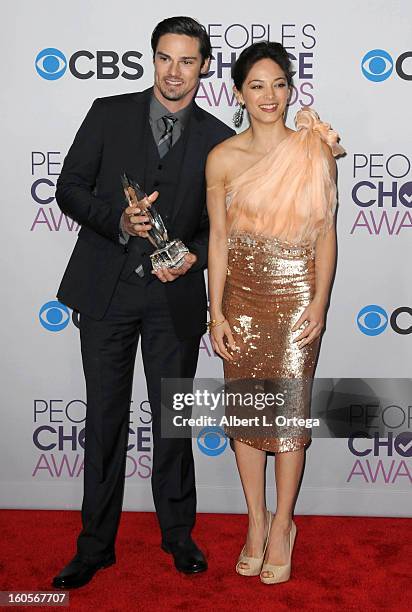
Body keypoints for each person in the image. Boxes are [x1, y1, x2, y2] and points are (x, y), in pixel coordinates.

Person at [52, 16, 234, 588]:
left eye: (186, 61)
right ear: (151, 58)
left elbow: (221, 229)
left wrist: (196, 258)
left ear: (204, 66)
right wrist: (119, 221)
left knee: (174, 425)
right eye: (164, 58)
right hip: (105, 294)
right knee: (104, 421)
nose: (173, 72)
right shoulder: (108, 113)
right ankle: (94, 546)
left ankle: (178, 535)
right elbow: (69, 188)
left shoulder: (218, 138)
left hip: (172, 301)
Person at [206, 41, 345, 584]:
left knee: (286, 418)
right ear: (239, 93)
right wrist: (215, 312)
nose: (269, 95)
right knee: (246, 417)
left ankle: (284, 523)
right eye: (256, 85)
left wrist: (320, 300)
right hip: (240, 297)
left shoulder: (313, 148)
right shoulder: (222, 157)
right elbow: (218, 238)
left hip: (295, 301)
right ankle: (256, 521)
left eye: (279, 84)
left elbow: (326, 233)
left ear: (291, 89)